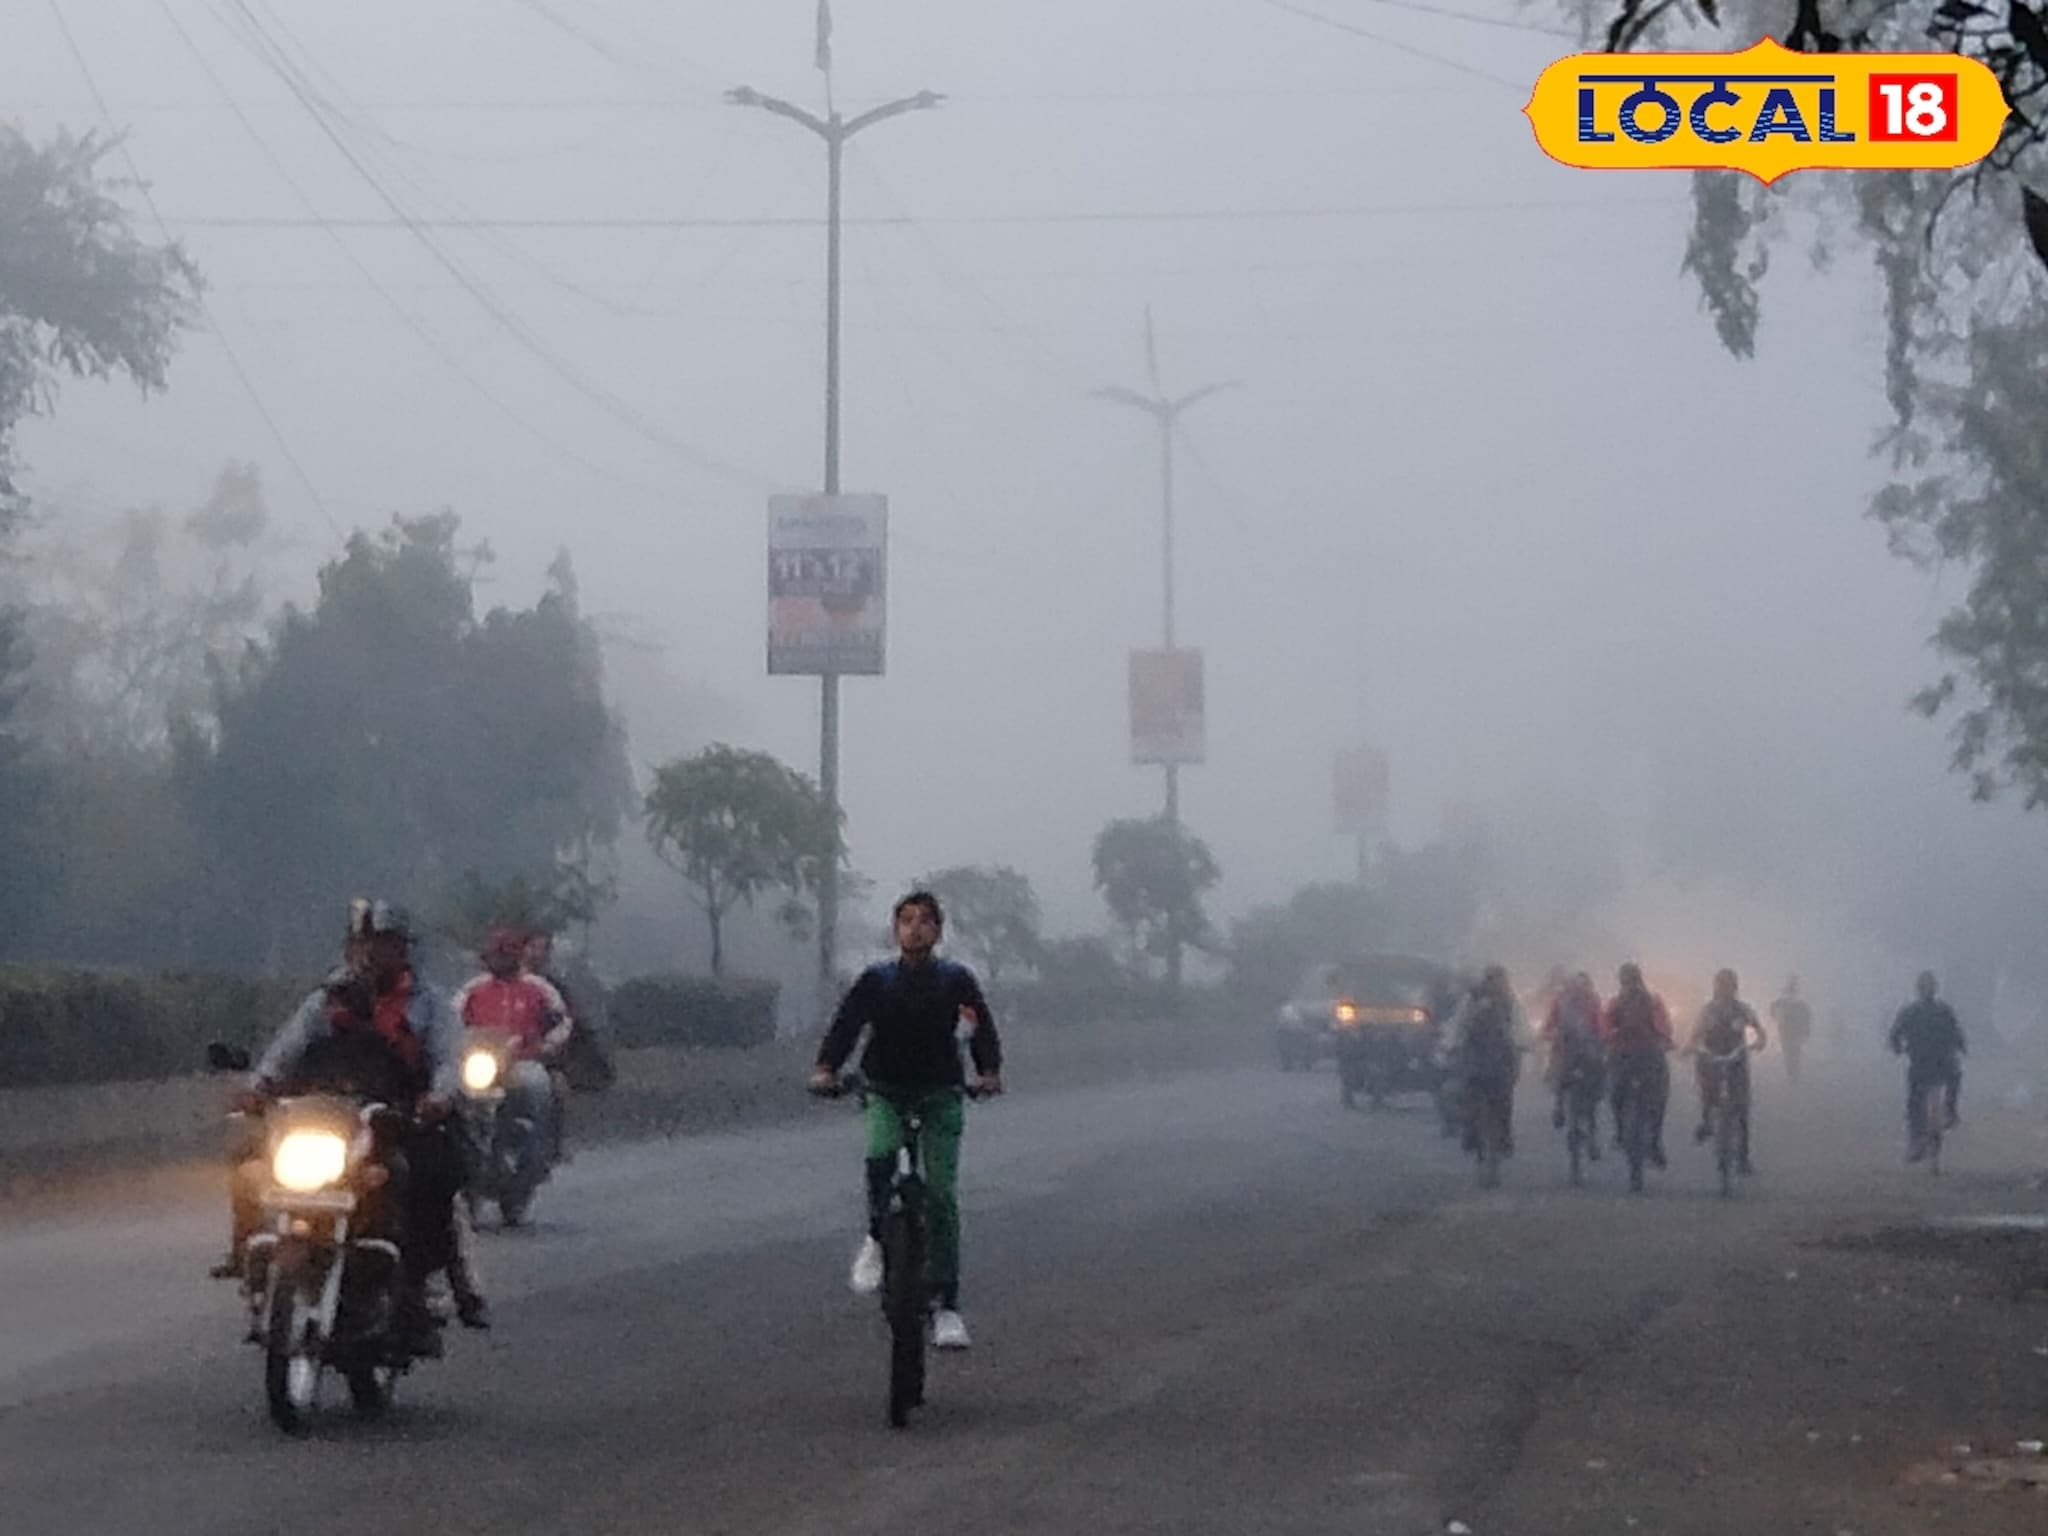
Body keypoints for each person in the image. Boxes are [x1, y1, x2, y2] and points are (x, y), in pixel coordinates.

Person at [238, 900, 486, 1347]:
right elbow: (285, 1050)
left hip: (396, 1122)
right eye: (363, 944)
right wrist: (258, 1086)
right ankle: (250, 1260)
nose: (371, 955)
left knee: (427, 1177)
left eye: (384, 944)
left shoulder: (428, 1006)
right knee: (249, 1168)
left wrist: (437, 1098)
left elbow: (449, 1061)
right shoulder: (325, 1001)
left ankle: (419, 1284)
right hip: (325, 1122)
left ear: (403, 950)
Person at [808, 890, 1003, 1352]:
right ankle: (877, 1238)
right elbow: (846, 1026)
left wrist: (989, 1073)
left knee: (940, 1195)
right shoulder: (876, 981)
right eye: (906, 920)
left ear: (938, 931)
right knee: (879, 1156)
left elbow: (980, 1029)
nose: (914, 928)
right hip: (884, 1091)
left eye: (924, 921)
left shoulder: (957, 981)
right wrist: (826, 1069)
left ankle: (947, 1304)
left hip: (940, 1095)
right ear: (895, 930)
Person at [457, 926, 574, 1160]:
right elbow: (450, 1022)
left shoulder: (538, 988)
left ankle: (542, 1146)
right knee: (450, 1092)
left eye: (506, 954)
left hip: (523, 1062)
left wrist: (546, 1046)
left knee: (538, 1086)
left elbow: (562, 1022)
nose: (500, 959)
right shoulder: (472, 990)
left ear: (517, 956)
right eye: (496, 954)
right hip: (480, 1064)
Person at [1686, 968, 1769, 1175]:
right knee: (1707, 1095)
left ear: (1735, 988)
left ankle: (1743, 1157)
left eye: (1729, 986)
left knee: (1742, 1108)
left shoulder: (1743, 1010)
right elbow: (1696, 1033)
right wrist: (1690, 1047)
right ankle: (1706, 1121)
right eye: (1721, 985)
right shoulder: (1708, 1010)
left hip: (1736, 1060)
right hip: (1711, 1059)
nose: (1725, 990)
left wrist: (1759, 1041)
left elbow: (1758, 1029)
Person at [1440, 965, 1526, 1159]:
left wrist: (1450, 1045)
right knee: (1501, 1100)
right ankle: (1502, 1139)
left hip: (1480, 1057)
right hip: (1494, 1058)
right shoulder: (1506, 999)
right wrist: (1522, 1045)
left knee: (1480, 1096)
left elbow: (1458, 1025)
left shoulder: (1477, 997)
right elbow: (1520, 1027)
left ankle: (1475, 1136)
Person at [1889, 970, 1967, 1159]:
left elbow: (1894, 1035)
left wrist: (1898, 1048)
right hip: (1930, 1063)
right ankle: (1947, 1114)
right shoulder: (1936, 1010)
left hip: (1931, 1063)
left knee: (1917, 1100)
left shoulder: (1915, 1011)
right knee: (1917, 1099)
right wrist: (1961, 1046)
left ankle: (1945, 1114)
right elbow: (1956, 1034)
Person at [1604, 961, 1674, 1169]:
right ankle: (1652, 1140)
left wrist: (1664, 1039)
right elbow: (1606, 1026)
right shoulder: (1640, 1001)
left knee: (1619, 1094)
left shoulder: (1644, 1001)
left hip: (1633, 1056)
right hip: (1640, 1056)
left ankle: (1627, 1135)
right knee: (1655, 1098)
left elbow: (1664, 1026)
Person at [1541, 970, 1608, 1155]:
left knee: (1593, 1095)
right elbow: (1548, 1026)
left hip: (1587, 1054)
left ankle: (1592, 1135)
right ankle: (1559, 1106)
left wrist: (1601, 1041)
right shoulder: (1560, 1002)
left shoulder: (1593, 1002)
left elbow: (1601, 1026)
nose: (1580, 989)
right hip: (1566, 1052)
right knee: (1558, 1073)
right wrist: (1551, 1035)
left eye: (1583, 985)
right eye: (1576, 985)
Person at [1770, 975, 1814, 1085]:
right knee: (1789, 1053)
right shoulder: (1785, 1003)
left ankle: (1794, 1076)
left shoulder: (1800, 1005)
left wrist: (1806, 1032)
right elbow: (1773, 1007)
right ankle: (1792, 1075)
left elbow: (1807, 1019)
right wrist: (1776, 1018)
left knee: (1794, 1054)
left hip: (1793, 1032)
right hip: (1786, 1032)